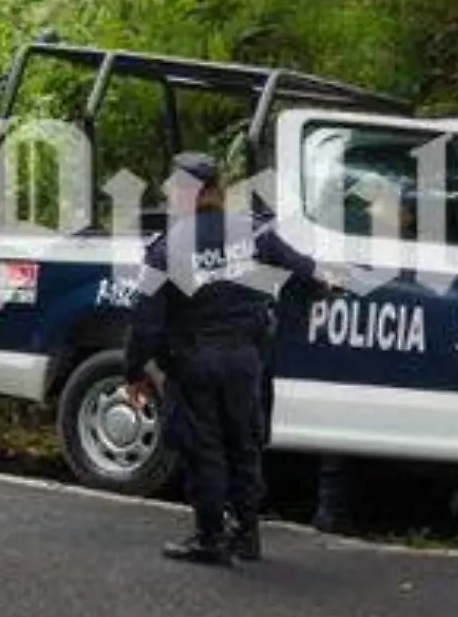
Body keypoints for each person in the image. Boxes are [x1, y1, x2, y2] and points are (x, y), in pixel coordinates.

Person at [123, 152, 339, 565]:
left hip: (194, 363)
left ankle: (210, 538)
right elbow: (308, 271)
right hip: (245, 359)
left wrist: (133, 372)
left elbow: (145, 321)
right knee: (244, 444)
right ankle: (248, 535)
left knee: (204, 448)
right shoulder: (255, 232)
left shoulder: (164, 250)